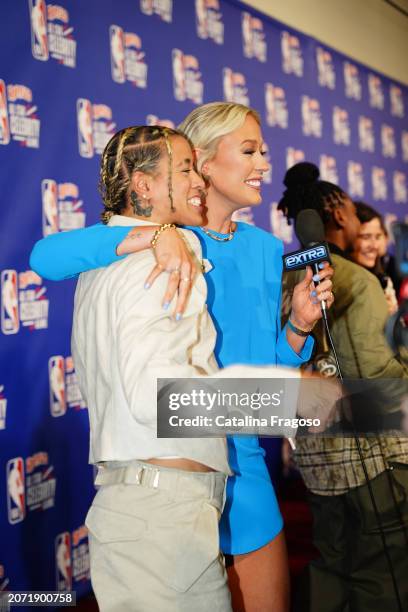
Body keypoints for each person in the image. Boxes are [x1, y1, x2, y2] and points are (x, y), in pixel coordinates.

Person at [31, 103, 334, 612]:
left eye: (264, 151)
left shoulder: (262, 248)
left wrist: (299, 326)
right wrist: (159, 234)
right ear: (205, 162)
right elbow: (46, 256)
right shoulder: (164, 243)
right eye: (249, 150)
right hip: (173, 472)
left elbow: (265, 366)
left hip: (239, 466)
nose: (264, 163)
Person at [279, 162, 408, 612]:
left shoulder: (280, 277)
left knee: (331, 566)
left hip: (317, 461)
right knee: (382, 572)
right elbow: (379, 374)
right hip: (374, 461)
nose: (358, 224)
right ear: (335, 215)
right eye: (353, 214)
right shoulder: (356, 280)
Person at [352, 201, 398, 315]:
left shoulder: (384, 279)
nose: (374, 246)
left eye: (378, 237)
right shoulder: (337, 280)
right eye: (366, 237)